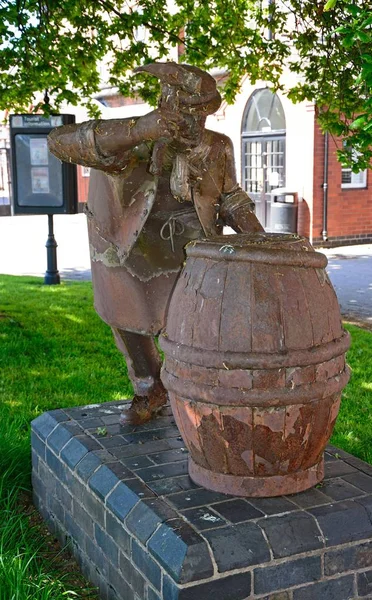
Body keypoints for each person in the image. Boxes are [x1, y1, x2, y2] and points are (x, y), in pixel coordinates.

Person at [48, 62, 264, 425]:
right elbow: (61, 142)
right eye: (186, 113)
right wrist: (139, 129)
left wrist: (257, 239)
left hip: (195, 248)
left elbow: (231, 197)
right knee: (130, 321)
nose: (194, 124)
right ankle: (149, 387)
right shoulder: (133, 143)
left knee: (201, 328)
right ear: (166, 105)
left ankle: (202, 399)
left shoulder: (216, 147)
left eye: (202, 114)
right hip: (131, 249)